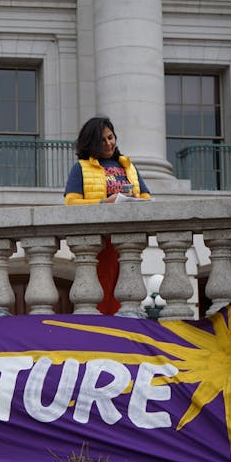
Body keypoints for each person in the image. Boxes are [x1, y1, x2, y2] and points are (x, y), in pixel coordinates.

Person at [64, 116, 152, 315]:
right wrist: (105, 202)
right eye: (102, 140)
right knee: (102, 293)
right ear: (91, 143)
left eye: (110, 137)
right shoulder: (81, 168)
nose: (108, 143)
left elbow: (147, 197)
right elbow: (71, 202)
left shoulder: (128, 166)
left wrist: (136, 198)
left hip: (129, 240)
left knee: (127, 296)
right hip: (99, 243)